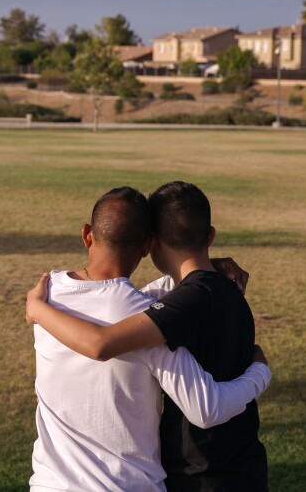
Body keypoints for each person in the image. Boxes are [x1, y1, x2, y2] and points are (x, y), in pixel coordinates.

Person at [27, 181, 268, 491]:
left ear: (87, 233)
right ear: (146, 247)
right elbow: (206, 407)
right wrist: (260, 372)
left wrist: (202, 274)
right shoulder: (147, 323)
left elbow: (109, 300)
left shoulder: (49, 292)